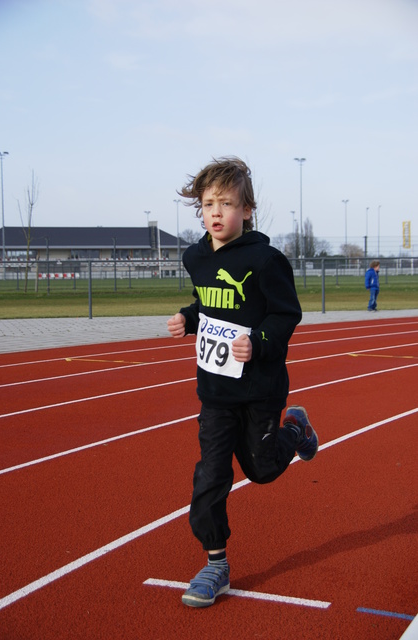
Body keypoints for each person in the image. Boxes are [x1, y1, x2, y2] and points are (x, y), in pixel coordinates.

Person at [167, 157, 318, 608]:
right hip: (214, 392)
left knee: (263, 470)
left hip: (259, 388)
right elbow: (208, 305)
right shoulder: (195, 257)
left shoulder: (265, 260)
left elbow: (285, 314)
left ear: (247, 209)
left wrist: (259, 340)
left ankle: (295, 427)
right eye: (209, 203)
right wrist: (188, 318)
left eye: (227, 203)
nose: (216, 212)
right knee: (210, 475)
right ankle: (215, 563)